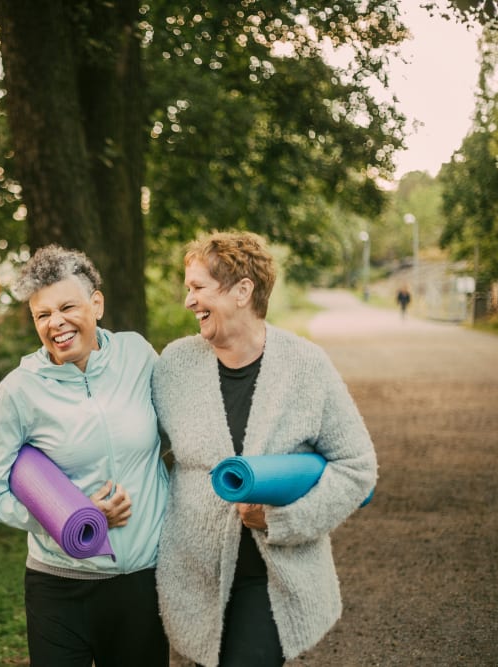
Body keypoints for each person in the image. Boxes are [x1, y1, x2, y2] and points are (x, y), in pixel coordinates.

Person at [152, 231, 378, 667]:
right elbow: (137, 447)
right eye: (188, 289)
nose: (189, 301)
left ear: (242, 291)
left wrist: (282, 519)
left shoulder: (306, 367)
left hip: (272, 578)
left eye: (198, 288)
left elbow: (357, 466)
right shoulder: (174, 366)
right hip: (192, 577)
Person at [0, 244, 170, 667]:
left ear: (96, 303)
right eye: (42, 315)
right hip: (59, 589)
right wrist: (69, 519)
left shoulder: (138, 355)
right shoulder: (19, 390)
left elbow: (177, 436)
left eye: (67, 307)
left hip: (142, 582)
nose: (55, 323)